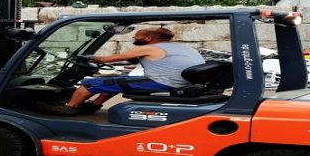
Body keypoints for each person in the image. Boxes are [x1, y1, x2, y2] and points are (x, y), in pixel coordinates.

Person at [47, 27, 205, 116]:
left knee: (88, 84)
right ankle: (94, 105)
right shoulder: (180, 47)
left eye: (137, 37)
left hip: (162, 83)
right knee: (118, 80)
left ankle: (70, 107)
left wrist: (87, 57)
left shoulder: (149, 48)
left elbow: (105, 60)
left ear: (148, 38)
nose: (134, 39)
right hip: (181, 82)